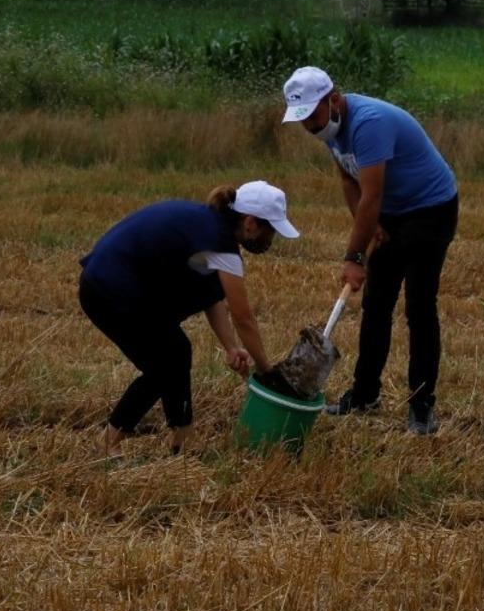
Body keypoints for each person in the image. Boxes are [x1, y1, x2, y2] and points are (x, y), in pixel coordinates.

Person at [281, 66, 459, 435]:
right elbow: (349, 181)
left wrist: (355, 257)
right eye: (302, 120)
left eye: (312, 116)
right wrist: (370, 226)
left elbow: (372, 195)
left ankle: (421, 406)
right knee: (376, 305)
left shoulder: (368, 124)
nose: (309, 126)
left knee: (419, 308)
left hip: (430, 209)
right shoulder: (329, 128)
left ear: (333, 100)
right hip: (391, 212)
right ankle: (364, 396)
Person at [78, 181, 300, 457]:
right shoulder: (219, 243)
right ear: (250, 223)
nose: (270, 241)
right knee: (162, 368)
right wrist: (267, 372)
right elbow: (244, 318)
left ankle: (182, 437)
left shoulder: (208, 226)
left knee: (177, 351)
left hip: (110, 283)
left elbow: (211, 296)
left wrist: (231, 348)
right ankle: (107, 443)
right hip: (109, 289)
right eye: (271, 232)